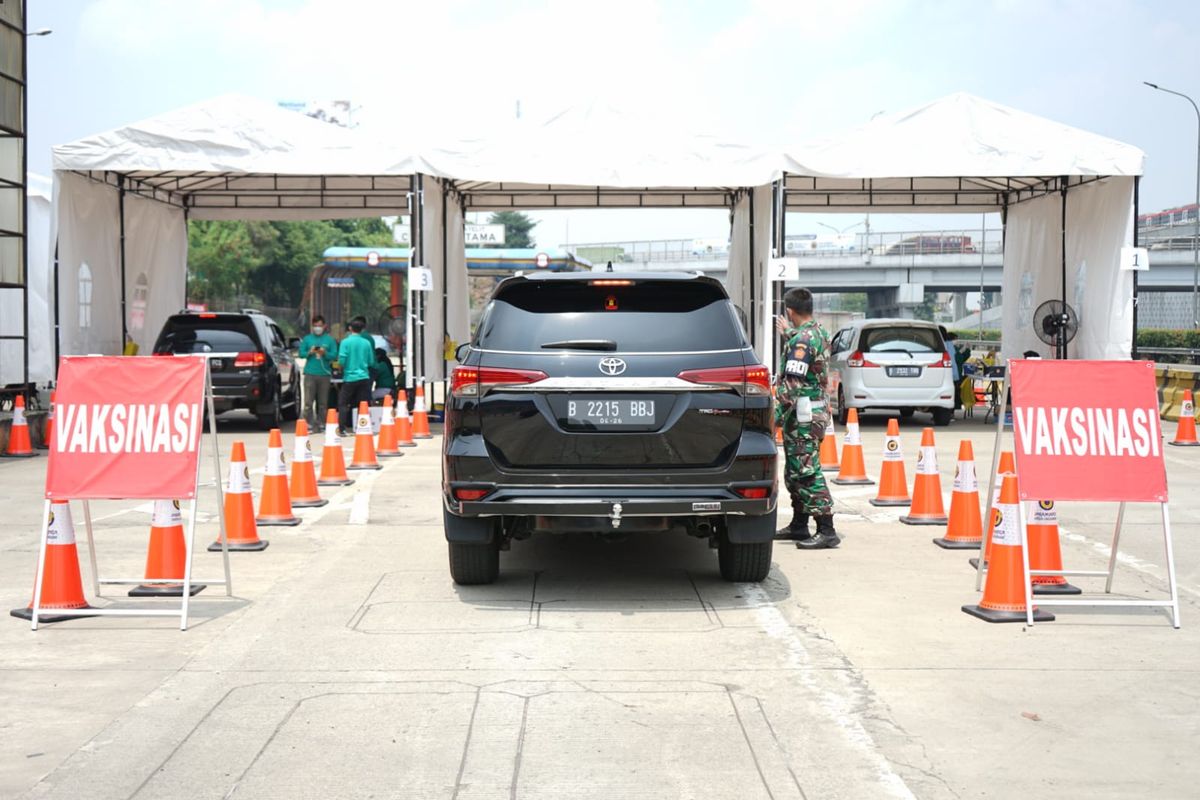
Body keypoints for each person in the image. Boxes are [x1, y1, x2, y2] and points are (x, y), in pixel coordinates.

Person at [774, 288, 839, 549]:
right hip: (815, 412)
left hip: (803, 416)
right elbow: (810, 350)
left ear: (789, 311)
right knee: (794, 470)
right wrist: (789, 335)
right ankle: (800, 525)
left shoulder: (801, 341)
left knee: (806, 470)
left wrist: (775, 418)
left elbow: (792, 384)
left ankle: (827, 528)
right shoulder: (819, 333)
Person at [298, 315, 338, 427]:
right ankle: (308, 423)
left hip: (324, 374)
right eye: (315, 326)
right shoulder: (307, 339)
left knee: (323, 402)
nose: (317, 328)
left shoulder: (329, 340)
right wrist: (309, 352)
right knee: (308, 402)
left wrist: (325, 353)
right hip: (310, 373)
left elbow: (334, 355)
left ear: (324, 326)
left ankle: (322, 423)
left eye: (320, 325)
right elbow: (301, 354)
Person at [337, 318, 374, 435]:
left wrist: (341, 367)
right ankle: (362, 427)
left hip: (350, 377)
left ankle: (342, 429)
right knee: (363, 403)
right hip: (364, 377)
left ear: (350, 328)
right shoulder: (366, 343)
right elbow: (371, 361)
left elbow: (341, 361)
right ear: (362, 330)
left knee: (343, 403)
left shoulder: (345, 342)